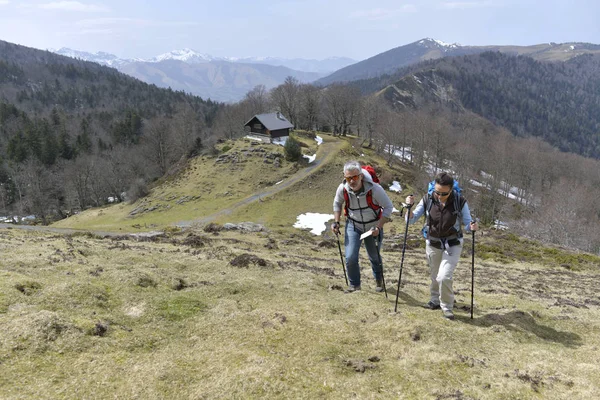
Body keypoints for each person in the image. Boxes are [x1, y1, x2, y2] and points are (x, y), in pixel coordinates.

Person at [405, 172, 478, 320]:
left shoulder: (460, 201)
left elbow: (468, 223)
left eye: (443, 193)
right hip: (432, 243)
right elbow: (411, 220)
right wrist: (408, 207)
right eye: (437, 192)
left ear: (451, 190)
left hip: (453, 244)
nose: (439, 195)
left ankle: (447, 307)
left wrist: (472, 226)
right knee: (435, 275)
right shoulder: (428, 198)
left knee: (444, 276)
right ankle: (434, 300)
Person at [331, 161, 394, 293]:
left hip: (373, 227)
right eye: (348, 178)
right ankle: (354, 285)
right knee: (350, 257)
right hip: (353, 225)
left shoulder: (375, 189)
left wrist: (379, 226)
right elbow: (337, 203)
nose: (352, 181)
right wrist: (336, 222)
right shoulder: (342, 189)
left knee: (374, 256)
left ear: (360, 176)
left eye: (354, 177)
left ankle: (379, 280)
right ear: (344, 177)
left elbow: (388, 207)